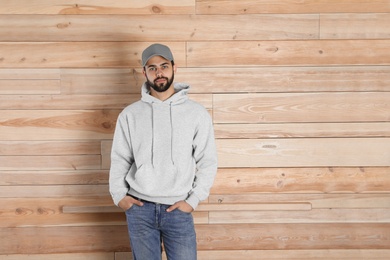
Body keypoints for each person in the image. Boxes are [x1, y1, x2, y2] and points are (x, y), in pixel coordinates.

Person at [109, 43, 218, 260]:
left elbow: (208, 160)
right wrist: (119, 195)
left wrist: (194, 200)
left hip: (178, 209)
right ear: (145, 72)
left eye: (164, 66)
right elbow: (120, 158)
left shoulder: (196, 113)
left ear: (174, 68)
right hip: (139, 209)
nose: (159, 72)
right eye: (152, 68)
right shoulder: (130, 115)